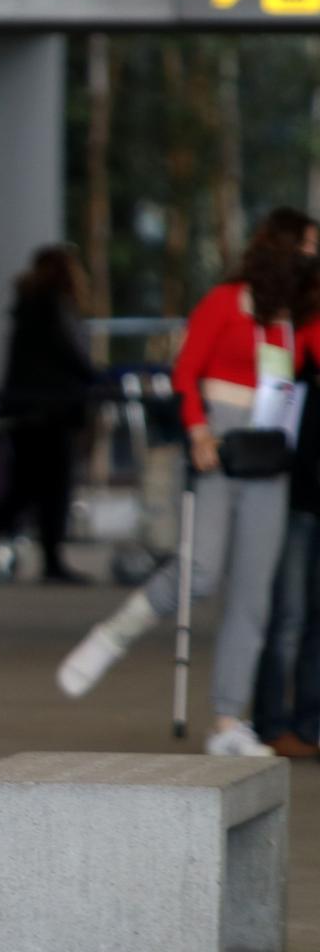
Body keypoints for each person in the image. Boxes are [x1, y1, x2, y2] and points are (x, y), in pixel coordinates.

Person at [58, 208, 320, 756]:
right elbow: (185, 369)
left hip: (270, 451)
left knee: (253, 593)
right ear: (283, 248)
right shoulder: (225, 302)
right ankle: (115, 634)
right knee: (199, 569)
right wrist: (198, 431)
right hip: (219, 443)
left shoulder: (295, 318)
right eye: (307, 248)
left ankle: (227, 720)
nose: (313, 259)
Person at [0, 246, 101, 584]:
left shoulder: (31, 304)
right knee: (47, 489)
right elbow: (71, 356)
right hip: (49, 412)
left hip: (33, 410)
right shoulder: (51, 306)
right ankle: (47, 559)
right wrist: (96, 377)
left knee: (26, 489)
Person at [251, 218, 320, 757]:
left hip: (303, 489)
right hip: (295, 489)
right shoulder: (295, 328)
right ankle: (271, 724)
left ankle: (308, 725)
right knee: (290, 615)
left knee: (308, 618)